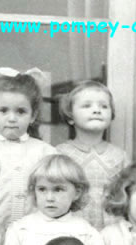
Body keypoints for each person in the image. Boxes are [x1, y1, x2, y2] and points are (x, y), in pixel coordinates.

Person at [0, 70, 57, 226]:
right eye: (4, 110)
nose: (12, 118)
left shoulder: (46, 153)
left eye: (21, 111)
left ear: (33, 115)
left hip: (32, 234)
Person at [55, 81, 129, 230]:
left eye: (104, 106)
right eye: (87, 106)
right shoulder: (60, 153)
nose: (97, 110)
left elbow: (129, 195)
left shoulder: (120, 156)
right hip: (71, 228)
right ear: (70, 116)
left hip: (110, 228)